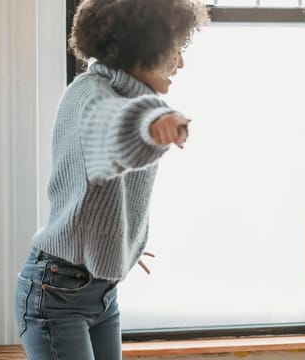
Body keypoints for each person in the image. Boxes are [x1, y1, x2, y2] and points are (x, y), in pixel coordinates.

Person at [14, 1, 209, 359]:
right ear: (142, 46)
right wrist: (150, 128)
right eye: (175, 49)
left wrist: (120, 241)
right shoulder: (89, 95)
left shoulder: (137, 98)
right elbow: (111, 126)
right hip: (57, 294)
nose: (180, 63)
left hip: (101, 294)